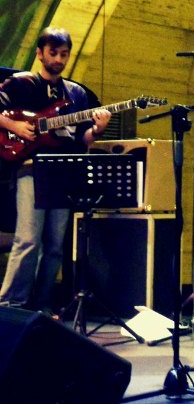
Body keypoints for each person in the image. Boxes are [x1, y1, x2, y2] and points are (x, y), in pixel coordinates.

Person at [0, 27, 111, 315]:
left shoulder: (76, 94)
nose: (59, 60)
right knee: (28, 239)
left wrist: (98, 130)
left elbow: (83, 138)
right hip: (31, 168)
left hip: (63, 172)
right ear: (40, 54)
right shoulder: (20, 84)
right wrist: (14, 126)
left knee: (54, 247)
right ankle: (10, 305)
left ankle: (41, 305)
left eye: (64, 54)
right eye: (53, 53)